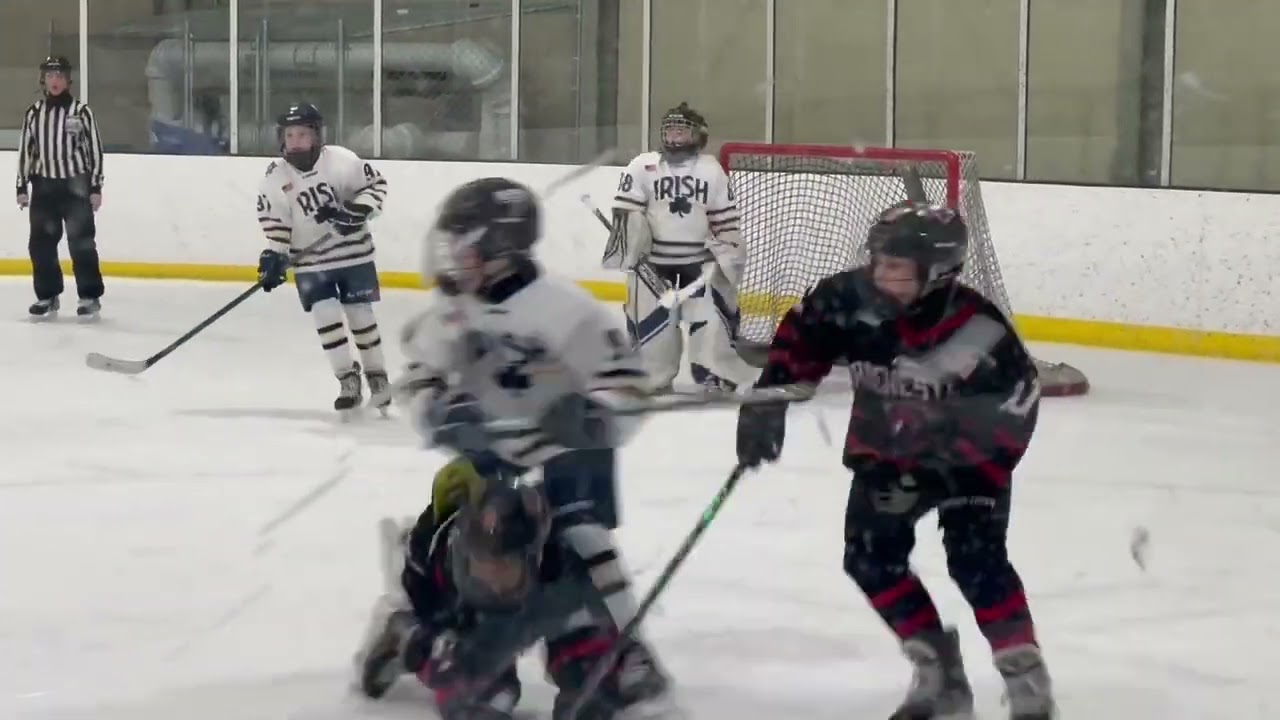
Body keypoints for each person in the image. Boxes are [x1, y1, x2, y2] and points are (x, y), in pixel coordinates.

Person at [353, 175, 675, 718]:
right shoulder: (451, 314)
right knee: (474, 561)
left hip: (561, 461)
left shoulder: (572, 314)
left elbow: (628, 389)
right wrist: (437, 408)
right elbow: (416, 380)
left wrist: (596, 415)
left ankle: (620, 646)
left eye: (463, 243)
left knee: (581, 536)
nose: (452, 255)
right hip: (485, 466)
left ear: (500, 248)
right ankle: (418, 626)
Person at [735, 202, 1055, 720]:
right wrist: (768, 402)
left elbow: (1013, 416)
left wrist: (942, 470)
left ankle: (1026, 681)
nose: (882, 272)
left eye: (898, 265)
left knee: (977, 563)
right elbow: (802, 343)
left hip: (970, 463)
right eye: (879, 259)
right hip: (885, 449)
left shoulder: (979, 331)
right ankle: (940, 673)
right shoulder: (847, 297)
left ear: (938, 273)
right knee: (869, 559)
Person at [354, 470, 671, 720]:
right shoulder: (438, 572)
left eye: (504, 566)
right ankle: (396, 633)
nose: (491, 576)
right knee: (482, 699)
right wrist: (418, 642)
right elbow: (448, 662)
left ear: (534, 558)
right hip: (466, 621)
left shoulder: (561, 566)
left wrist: (614, 672)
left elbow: (601, 624)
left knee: (592, 676)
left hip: (534, 607)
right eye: (482, 564)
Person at [602, 101, 758, 394]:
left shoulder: (711, 171)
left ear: (698, 136)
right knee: (650, 324)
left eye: (681, 132)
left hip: (699, 262)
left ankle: (714, 372)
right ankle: (650, 377)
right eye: (670, 131)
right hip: (653, 263)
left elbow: (725, 222)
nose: (674, 138)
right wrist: (633, 244)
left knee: (712, 320)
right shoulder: (642, 166)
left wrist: (729, 253)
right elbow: (627, 213)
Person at [254, 102, 391, 414]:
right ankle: (347, 379)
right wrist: (273, 258)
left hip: (353, 256)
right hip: (311, 262)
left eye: (302, 133)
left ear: (316, 135)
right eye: (290, 135)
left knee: (361, 316)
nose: (296, 140)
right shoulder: (275, 177)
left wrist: (355, 211)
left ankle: (378, 377)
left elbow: (376, 186)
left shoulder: (342, 161)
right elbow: (276, 224)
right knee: (325, 314)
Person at [16, 55, 106, 320]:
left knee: (81, 241)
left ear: (68, 80)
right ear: (43, 80)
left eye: (60, 76)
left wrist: (96, 186)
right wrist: (21, 185)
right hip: (44, 186)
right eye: (50, 76)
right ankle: (47, 295)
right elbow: (25, 151)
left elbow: (95, 150)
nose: (55, 81)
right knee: (41, 243)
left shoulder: (82, 112)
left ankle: (89, 296)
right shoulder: (33, 113)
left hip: (76, 185)